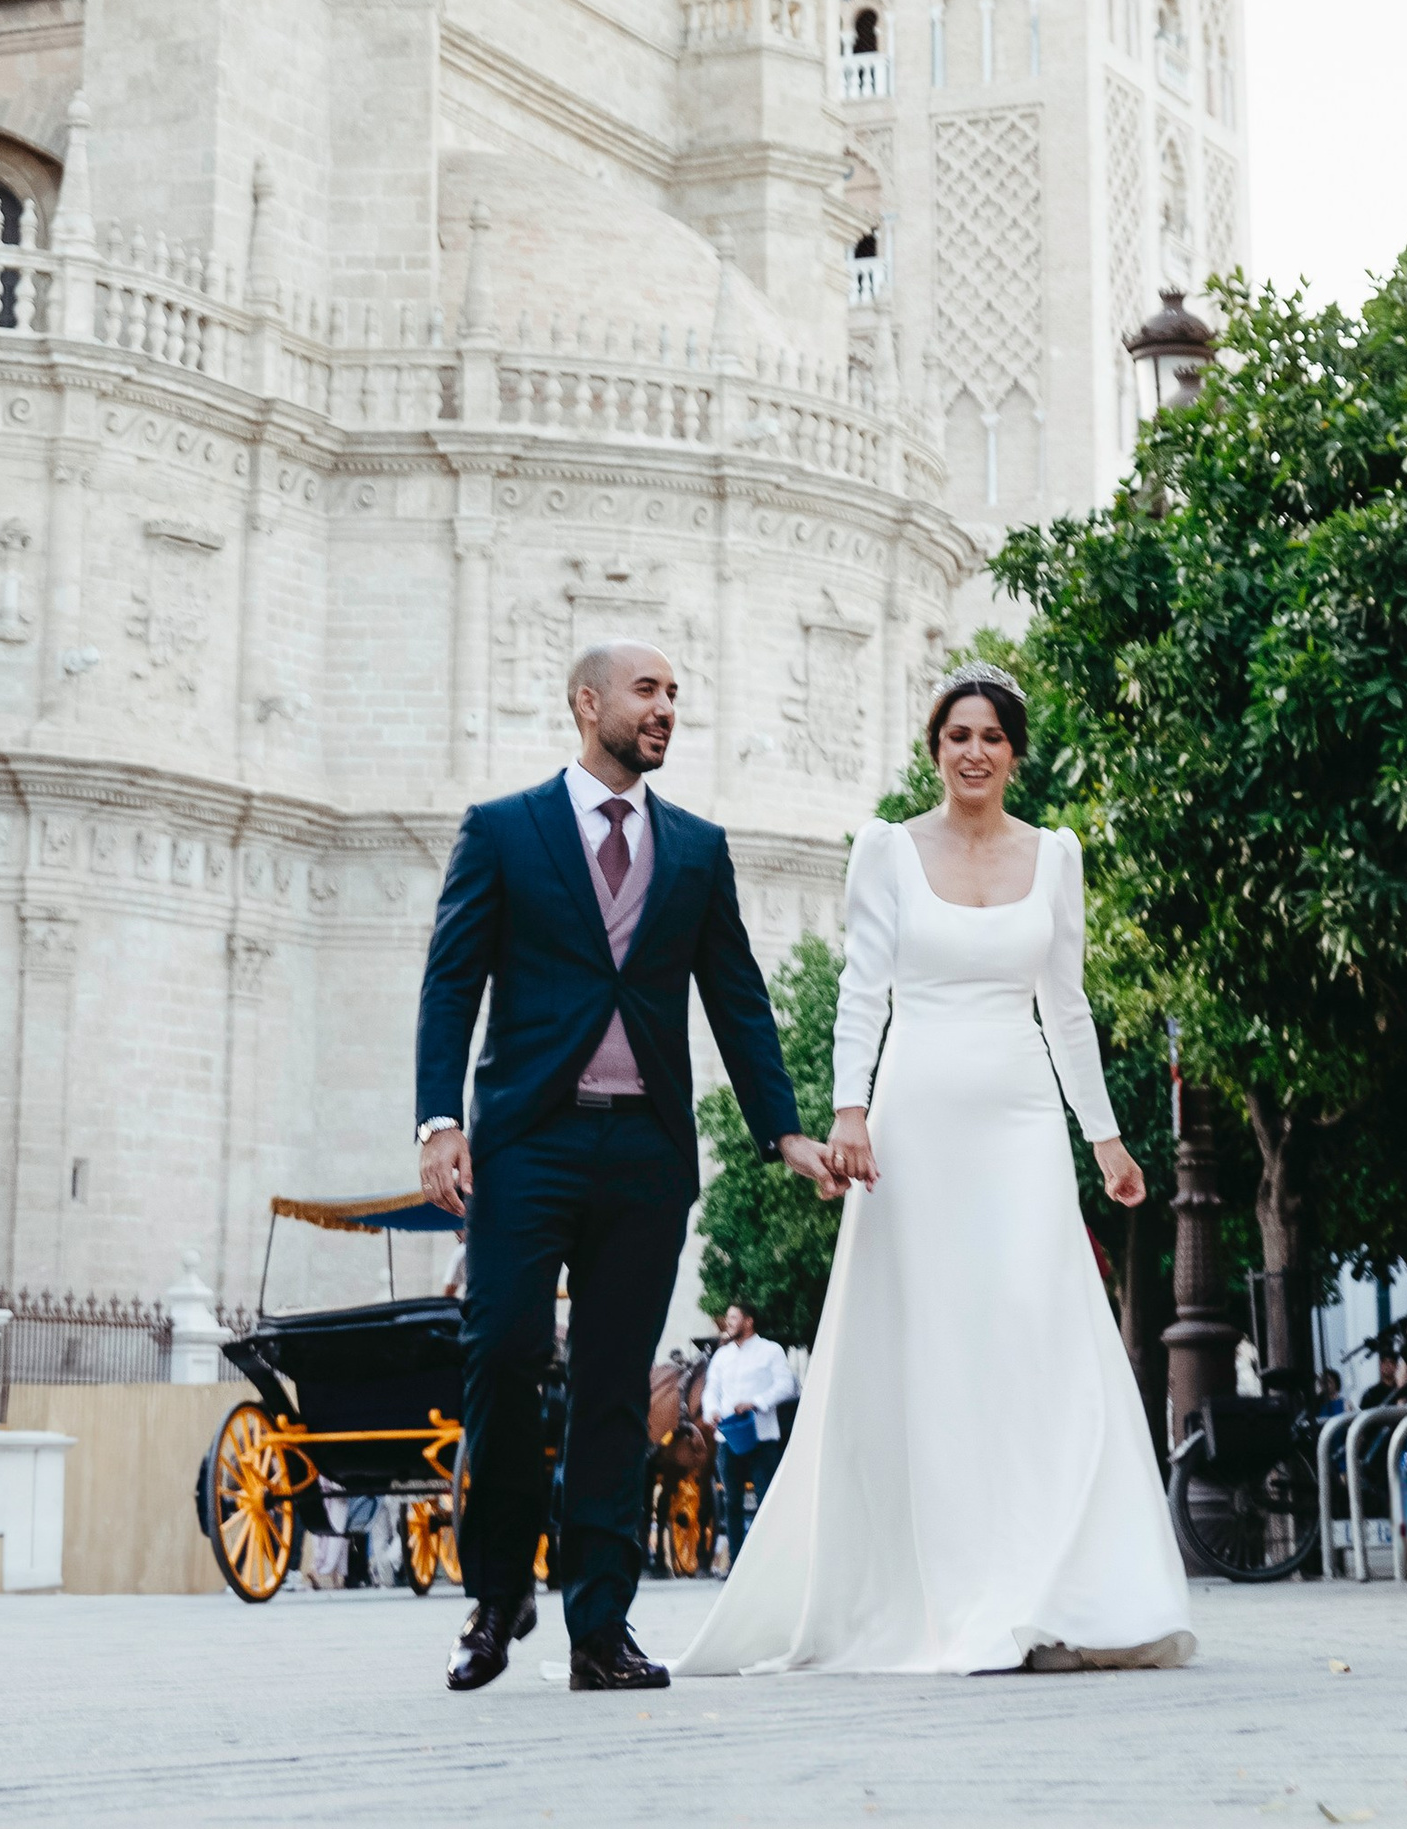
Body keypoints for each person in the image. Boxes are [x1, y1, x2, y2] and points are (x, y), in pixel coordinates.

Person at [682, 665, 1197, 1677]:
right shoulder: (885, 849)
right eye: (956, 734)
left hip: (1018, 1121)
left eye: (992, 735)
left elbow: (1068, 1004)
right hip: (912, 1122)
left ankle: (1055, 1585)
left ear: (1014, 752)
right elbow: (862, 991)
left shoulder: (1056, 856)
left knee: (1032, 1334)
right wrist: (849, 1111)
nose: (973, 750)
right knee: (928, 1349)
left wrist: (1103, 1136)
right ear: (934, 749)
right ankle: (942, 1590)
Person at [413, 636, 838, 1696]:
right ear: (586, 700)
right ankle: (495, 1589)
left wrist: (779, 1126)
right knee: (503, 1353)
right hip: (527, 1141)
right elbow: (451, 979)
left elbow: (736, 996)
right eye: (647, 690)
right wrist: (437, 1119)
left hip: (645, 1151)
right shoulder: (504, 832)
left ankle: (599, 1626)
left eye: (674, 694)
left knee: (614, 1388)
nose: (664, 709)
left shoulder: (695, 848)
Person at [699, 1299, 797, 1562]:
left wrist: (756, 1403)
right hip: (728, 1438)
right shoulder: (722, 1356)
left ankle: (768, 1560)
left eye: (733, 1318)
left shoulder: (770, 1351)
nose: (727, 1323)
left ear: (748, 1321)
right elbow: (712, 1390)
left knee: (766, 1501)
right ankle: (737, 1561)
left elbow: (787, 1385)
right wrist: (711, 1412)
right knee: (731, 1501)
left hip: (762, 1438)